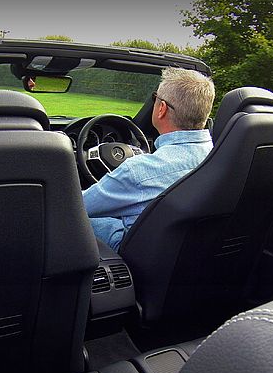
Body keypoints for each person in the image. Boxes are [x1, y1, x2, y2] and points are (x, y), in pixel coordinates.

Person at [82, 67, 215, 250]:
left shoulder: (139, 171)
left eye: (155, 98)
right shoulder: (220, 158)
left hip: (136, 254)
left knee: (72, 217)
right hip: (188, 252)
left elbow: (79, 206)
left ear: (161, 109)